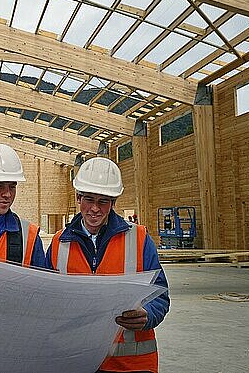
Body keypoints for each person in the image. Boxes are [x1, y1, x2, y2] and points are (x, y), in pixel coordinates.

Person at [46, 157, 169, 373]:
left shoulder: (139, 239)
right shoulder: (58, 243)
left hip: (130, 365)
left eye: (103, 201)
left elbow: (160, 296)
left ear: (113, 202)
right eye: (89, 199)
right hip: (74, 361)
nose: (95, 208)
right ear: (78, 197)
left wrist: (147, 315)